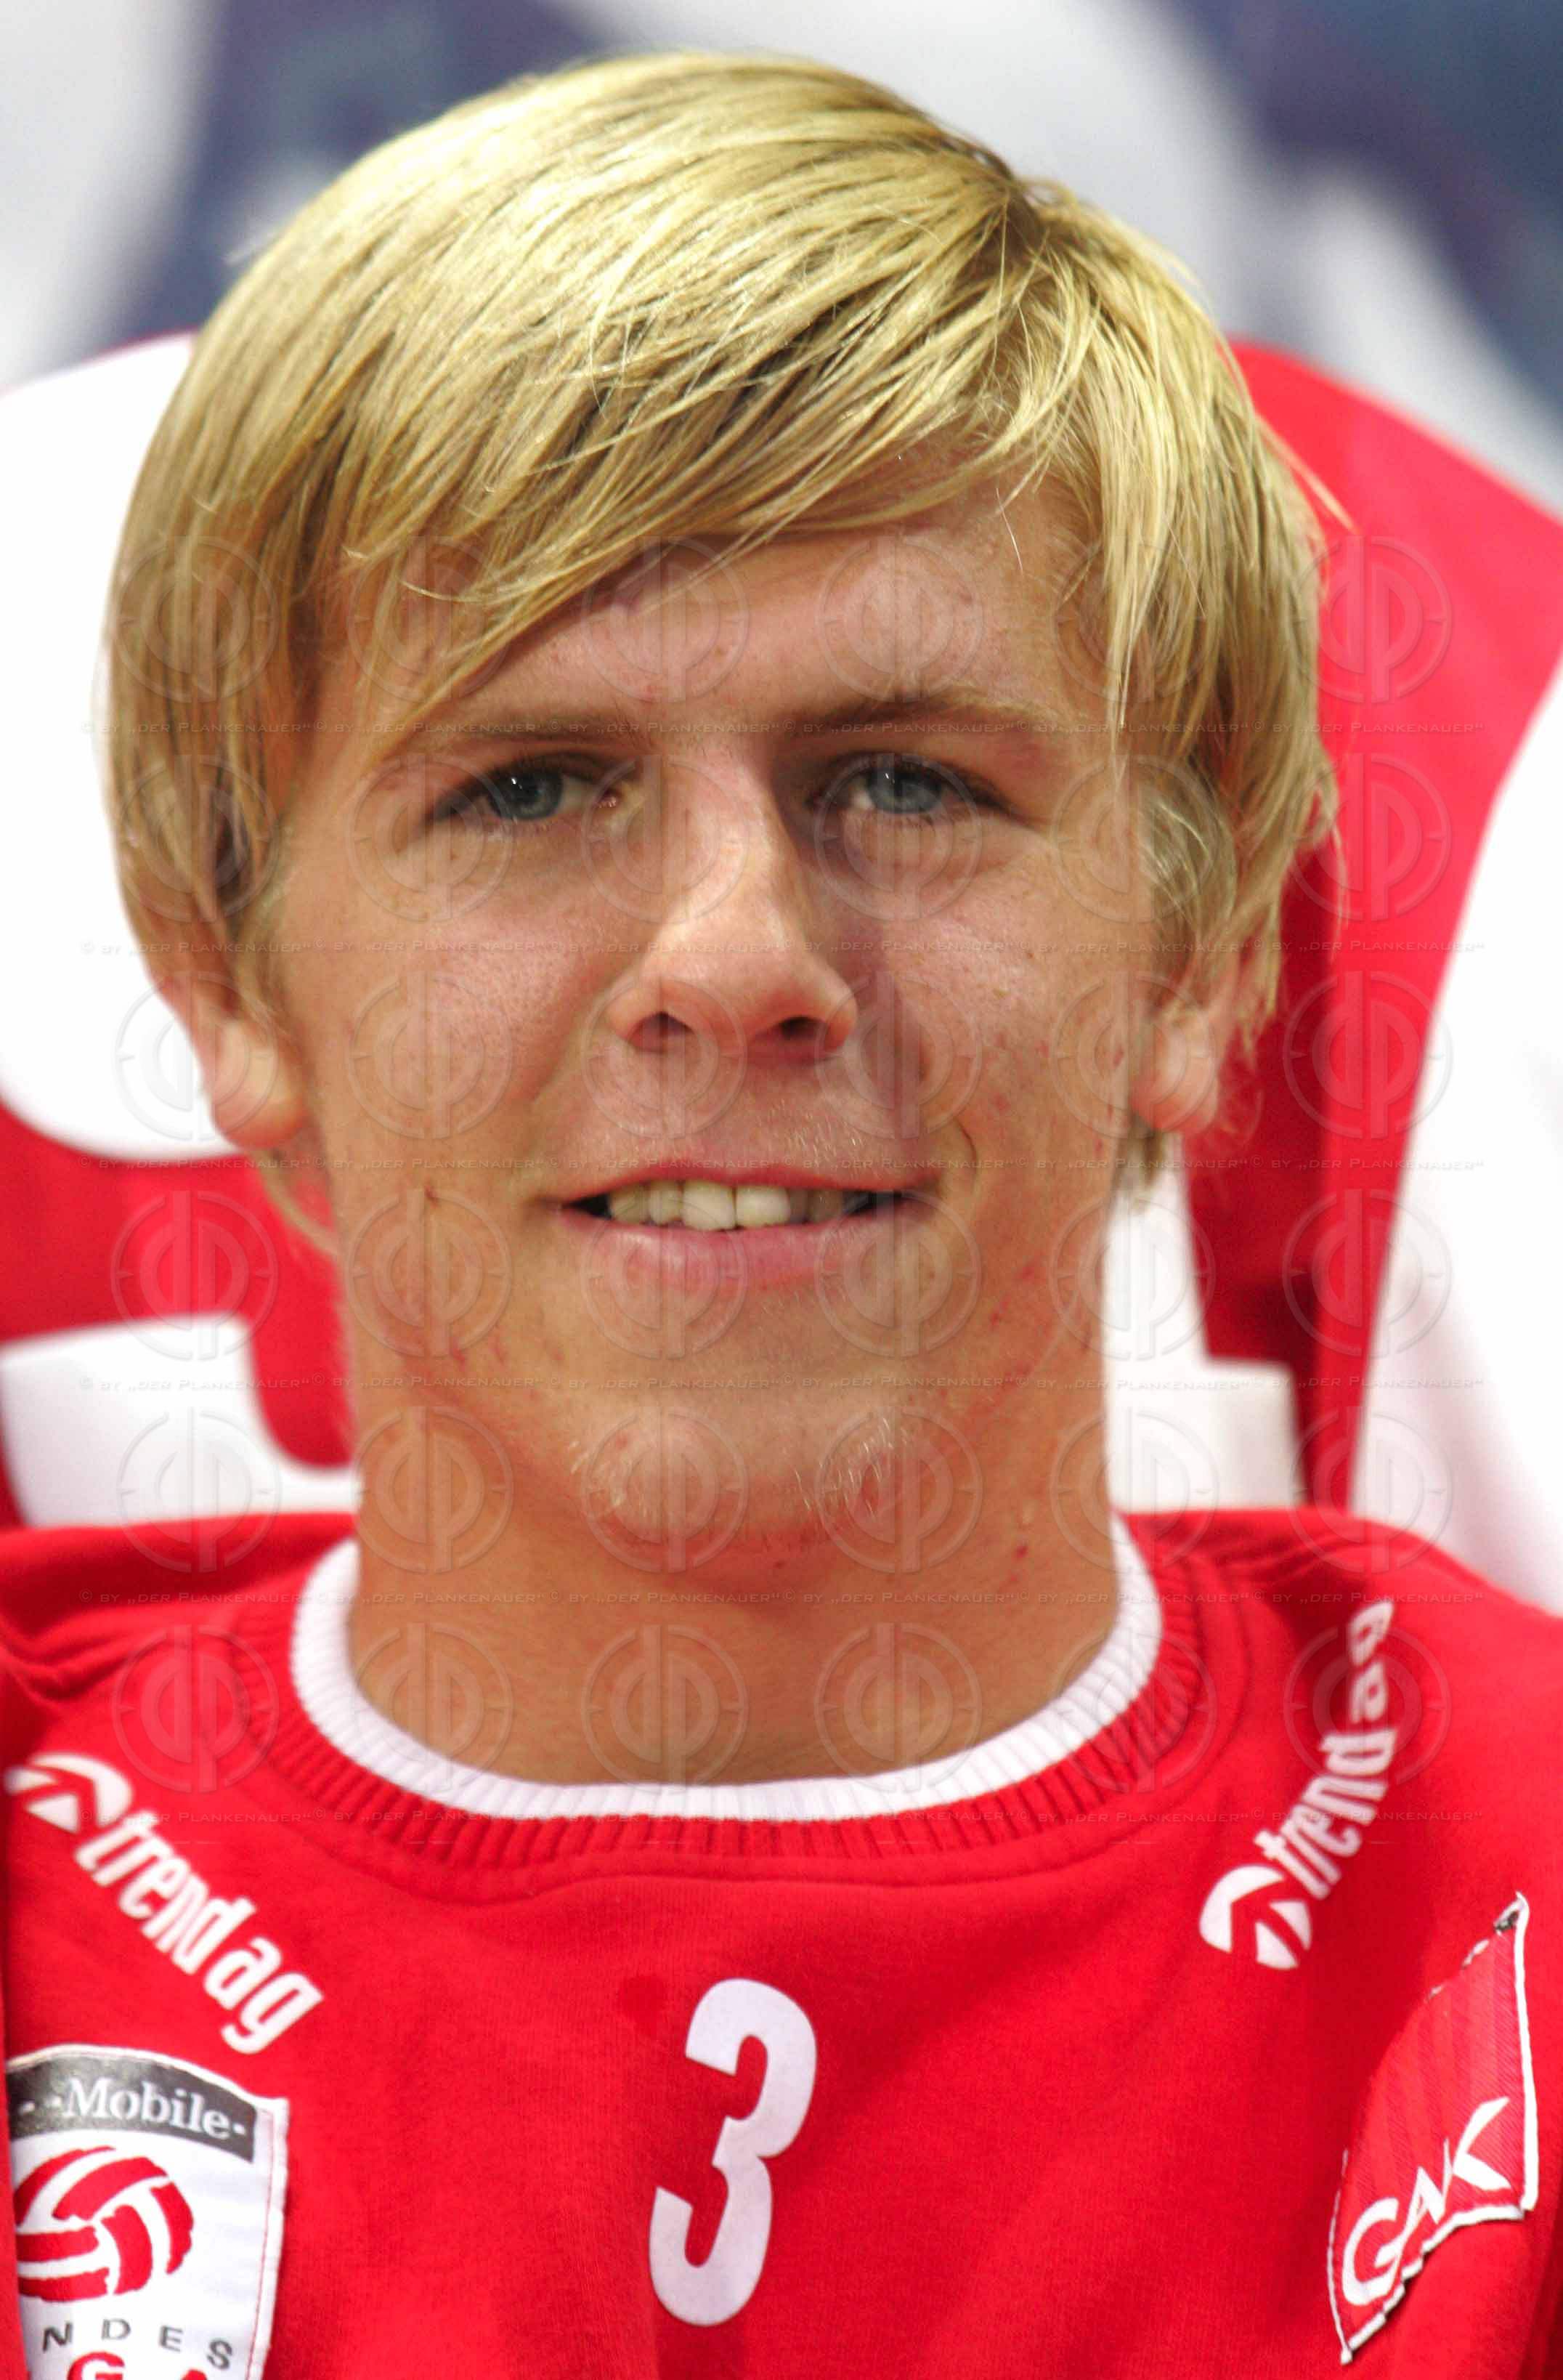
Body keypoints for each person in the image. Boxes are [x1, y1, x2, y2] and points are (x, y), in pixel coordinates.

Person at [3, 48, 1560, 2378]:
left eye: (905, 780)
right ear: (226, 971)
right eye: (534, 785)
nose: (736, 958)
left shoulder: (1515, 1902)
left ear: (1204, 948)